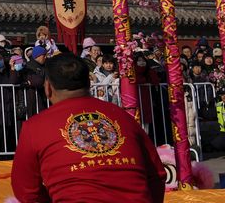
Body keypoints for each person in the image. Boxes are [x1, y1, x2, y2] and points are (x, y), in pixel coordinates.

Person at [11, 53, 164, 203]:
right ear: (89, 83)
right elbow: (156, 174)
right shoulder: (121, 115)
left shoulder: (35, 126)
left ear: (48, 88)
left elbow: (26, 190)